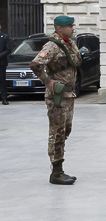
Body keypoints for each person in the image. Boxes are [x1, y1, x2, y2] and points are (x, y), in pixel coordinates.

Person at [29, 15, 82, 185]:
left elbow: (76, 61)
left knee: (65, 130)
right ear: (60, 28)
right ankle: (56, 172)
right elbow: (35, 64)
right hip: (57, 96)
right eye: (70, 26)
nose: (73, 28)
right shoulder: (51, 46)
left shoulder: (68, 44)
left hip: (68, 95)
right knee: (57, 133)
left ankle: (59, 169)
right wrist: (48, 82)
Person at [0, 20, 10, 105]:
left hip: (1, 63)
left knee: (2, 81)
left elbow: (8, 50)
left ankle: (4, 99)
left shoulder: (5, 37)